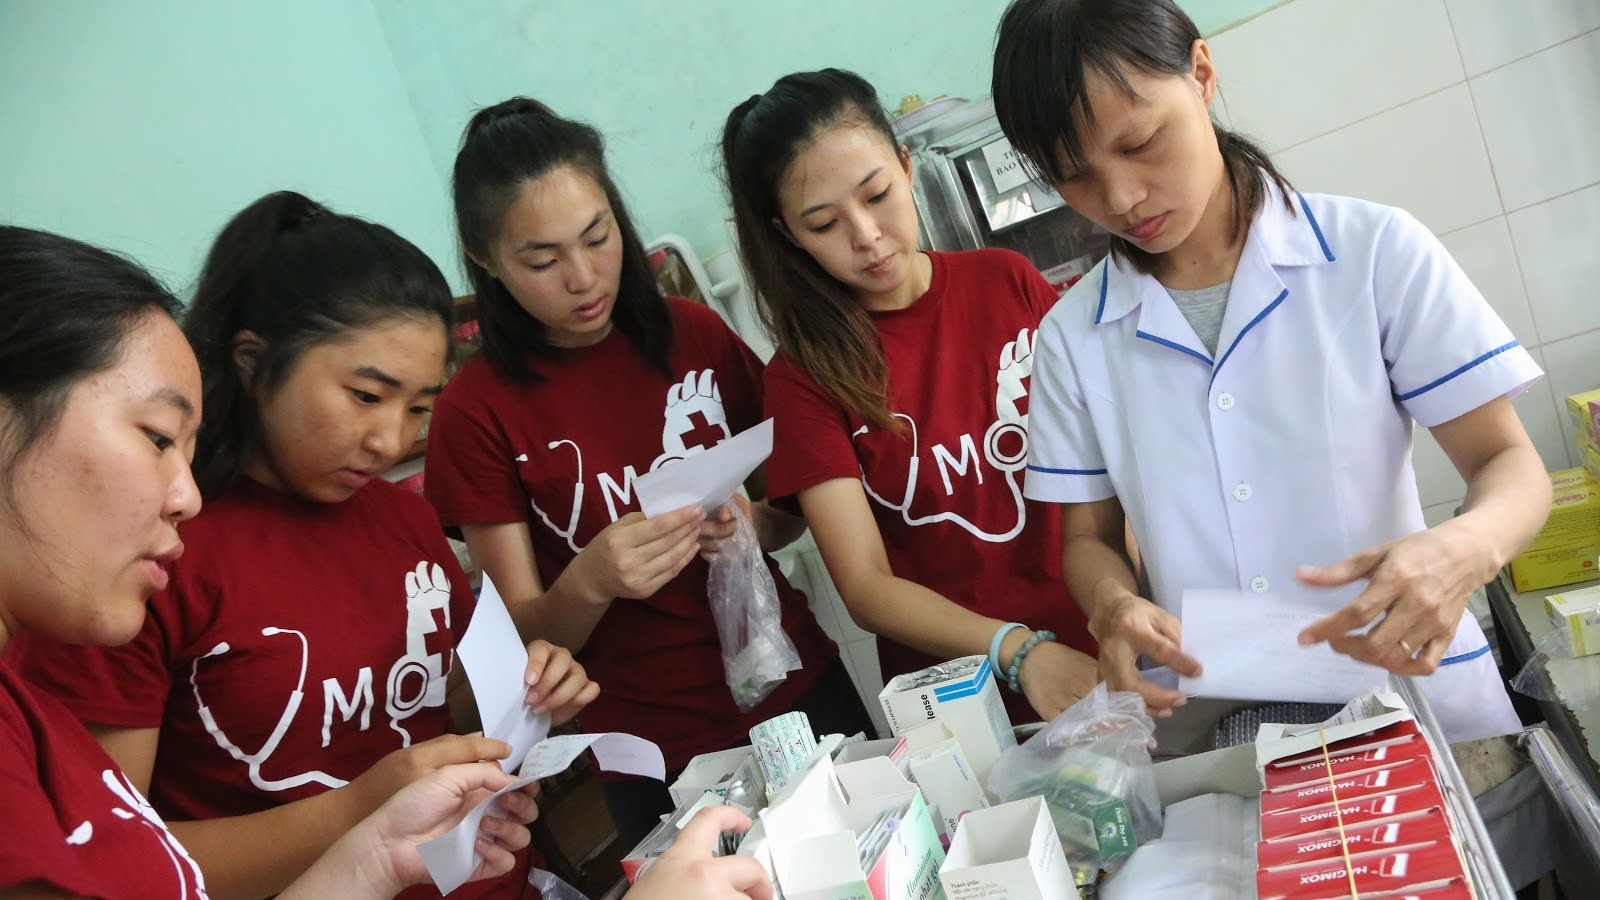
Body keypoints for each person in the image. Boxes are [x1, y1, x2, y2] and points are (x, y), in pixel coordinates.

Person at [990, 0, 1550, 742]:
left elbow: (1509, 463)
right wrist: (1111, 604)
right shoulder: (1071, 336)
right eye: (1075, 176)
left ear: (1201, 73)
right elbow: (1088, 537)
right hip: (1223, 714)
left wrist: (1465, 549)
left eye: (1141, 143)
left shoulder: (1371, 251)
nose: (1120, 198)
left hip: (1409, 684)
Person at [12, 193, 598, 900]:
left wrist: (526, 695)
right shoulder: (136, 561)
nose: (390, 440)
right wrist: (358, 809)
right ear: (254, 363)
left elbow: (439, 709)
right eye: (365, 396)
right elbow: (129, 862)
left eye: (419, 406)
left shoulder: (405, 521)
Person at [424, 98, 872, 849]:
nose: (583, 277)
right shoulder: (476, 410)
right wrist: (591, 582)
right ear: (485, 259)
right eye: (542, 261)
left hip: (797, 687)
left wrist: (751, 524)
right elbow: (518, 635)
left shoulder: (692, 334)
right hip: (652, 752)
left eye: (598, 237)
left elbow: (790, 507)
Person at [721, 69, 1099, 725]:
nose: (866, 235)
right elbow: (866, 584)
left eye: (877, 195)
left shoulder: (1007, 282)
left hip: (1099, 645)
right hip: (959, 703)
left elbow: (1104, 462)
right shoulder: (804, 377)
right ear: (788, 235)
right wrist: (1020, 652)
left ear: (905, 165)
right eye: (824, 224)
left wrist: (1128, 599)